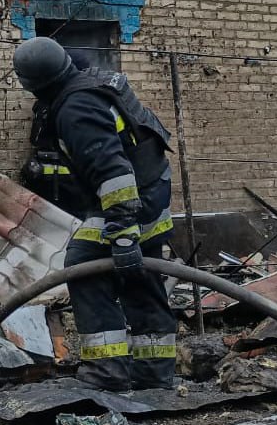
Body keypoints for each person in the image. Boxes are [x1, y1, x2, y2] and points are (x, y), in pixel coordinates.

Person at [12, 36, 177, 391]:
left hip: (131, 202)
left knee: (83, 265)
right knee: (141, 278)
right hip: (152, 190)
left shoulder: (76, 110)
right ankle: (154, 372)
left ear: (31, 84)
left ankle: (107, 371)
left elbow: (112, 172)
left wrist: (123, 236)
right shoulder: (87, 80)